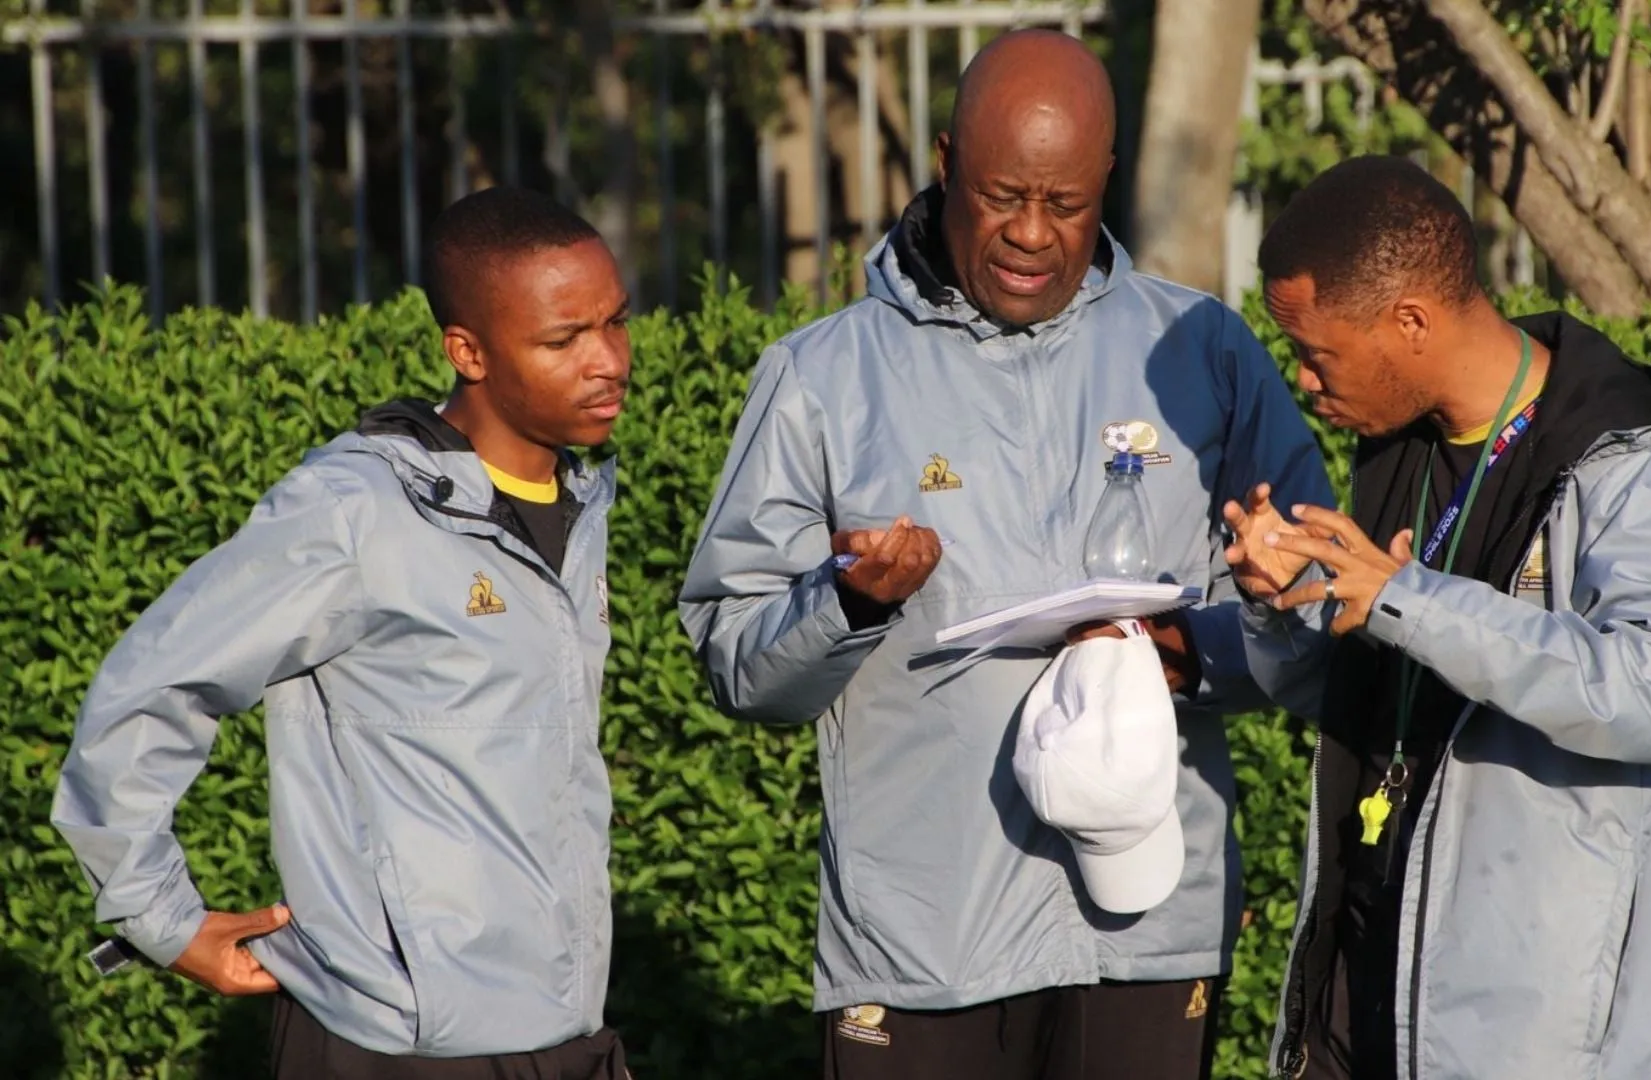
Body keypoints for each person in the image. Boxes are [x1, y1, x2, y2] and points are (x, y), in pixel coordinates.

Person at [678, 28, 1335, 1080]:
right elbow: (736, 658)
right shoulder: (821, 378)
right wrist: (848, 604)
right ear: (945, 165)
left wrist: (1186, 651)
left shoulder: (1204, 351)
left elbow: (1317, 614)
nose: (1031, 234)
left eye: (1065, 204)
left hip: (1145, 929)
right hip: (923, 949)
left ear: (1107, 177)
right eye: (1001, 197)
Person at [51, 186, 635, 1080]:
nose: (608, 361)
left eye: (616, 323)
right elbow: (149, 689)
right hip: (393, 1044)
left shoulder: (580, 507)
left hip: (563, 1029)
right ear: (467, 351)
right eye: (563, 340)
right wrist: (162, 920)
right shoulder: (354, 511)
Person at [1224, 155, 1651, 1080]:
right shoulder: (1401, 448)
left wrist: (1407, 601)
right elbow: (1367, 691)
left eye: (1319, 353)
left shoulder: (1629, 463)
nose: (1302, 379)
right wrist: (1281, 605)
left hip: (1523, 1037)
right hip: (1356, 989)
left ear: (1410, 322)